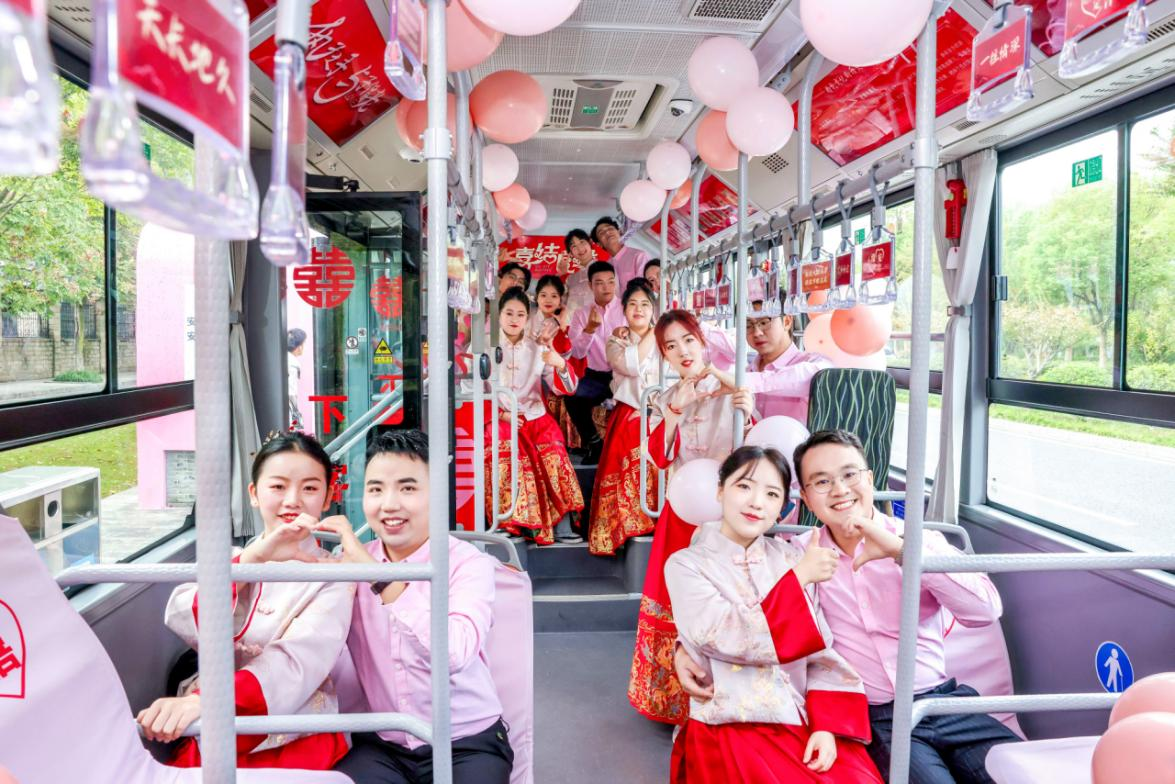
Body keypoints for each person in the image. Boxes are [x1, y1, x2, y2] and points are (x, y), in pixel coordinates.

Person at [676, 429, 1020, 784]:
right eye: (822, 482)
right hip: (877, 717)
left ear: (869, 479)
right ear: (806, 499)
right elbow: (742, 596)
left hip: (945, 701)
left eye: (849, 474)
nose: (840, 489)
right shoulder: (801, 556)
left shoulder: (920, 540)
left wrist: (903, 552)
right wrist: (685, 647)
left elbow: (984, 610)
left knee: (1020, 772)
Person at [665, 445, 883, 784]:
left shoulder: (791, 557)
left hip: (803, 716)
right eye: (744, 486)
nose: (756, 502)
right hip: (731, 719)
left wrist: (826, 726)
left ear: (783, 508)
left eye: (772, 494)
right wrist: (797, 581)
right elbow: (722, 635)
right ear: (720, 490)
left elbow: (821, 650)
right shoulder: (685, 565)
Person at [139, 432, 355, 770]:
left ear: (328, 497)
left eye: (310, 488)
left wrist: (209, 702)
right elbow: (184, 618)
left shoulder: (335, 577)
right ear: (254, 494)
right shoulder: (230, 558)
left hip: (295, 729)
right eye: (278, 486)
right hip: (211, 719)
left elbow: (297, 664)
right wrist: (251, 562)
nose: (293, 501)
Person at [319, 429, 514, 784]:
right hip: (383, 742)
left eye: (407, 488)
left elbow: (453, 653)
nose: (389, 504)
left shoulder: (467, 564)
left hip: (465, 740)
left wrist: (376, 576)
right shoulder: (346, 565)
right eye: (376, 489)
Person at [628, 309, 753, 725]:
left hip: (728, 516)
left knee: (725, 602)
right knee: (676, 602)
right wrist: (674, 413)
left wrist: (748, 408)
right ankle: (675, 703)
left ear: (702, 342)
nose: (682, 351)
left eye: (688, 340)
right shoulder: (666, 398)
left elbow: (753, 455)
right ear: (663, 355)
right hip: (681, 514)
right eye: (671, 345)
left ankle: (727, 701)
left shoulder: (733, 388)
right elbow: (659, 457)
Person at [486, 287, 584, 545]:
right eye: (509, 313)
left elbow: (566, 388)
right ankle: (508, 520)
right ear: (499, 315)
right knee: (509, 457)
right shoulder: (484, 346)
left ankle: (561, 522)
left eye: (520, 314)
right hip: (499, 417)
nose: (514, 319)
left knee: (555, 454)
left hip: (535, 417)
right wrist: (501, 414)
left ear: (527, 318)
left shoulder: (538, 346)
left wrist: (559, 363)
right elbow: (469, 388)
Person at [588, 278, 661, 556]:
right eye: (633, 304)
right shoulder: (616, 340)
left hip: (660, 414)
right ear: (624, 309)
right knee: (627, 474)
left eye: (645, 304)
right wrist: (654, 331)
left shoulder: (666, 338)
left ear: (653, 309)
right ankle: (624, 529)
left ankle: (656, 525)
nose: (639, 310)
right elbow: (631, 365)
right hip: (630, 414)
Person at [706, 301, 831, 421]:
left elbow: (819, 376)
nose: (757, 333)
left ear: (787, 321)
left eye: (764, 322)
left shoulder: (812, 363)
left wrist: (746, 382)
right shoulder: (747, 372)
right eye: (748, 325)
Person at [565, 260, 626, 462]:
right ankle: (595, 444)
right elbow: (577, 353)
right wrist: (589, 329)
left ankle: (622, 450)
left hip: (624, 374)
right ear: (591, 286)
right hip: (596, 376)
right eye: (599, 283)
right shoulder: (581, 314)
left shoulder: (626, 309)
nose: (606, 287)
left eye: (611, 281)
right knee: (572, 397)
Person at [535, 274, 581, 453]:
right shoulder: (526, 320)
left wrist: (563, 328)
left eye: (554, 296)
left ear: (561, 299)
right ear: (536, 297)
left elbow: (566, 356)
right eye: (543, 295)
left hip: (552, 374)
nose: (548, 300)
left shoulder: (563, 322)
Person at [592, 216, 650, 290]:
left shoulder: (639, 256)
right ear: (599, 244)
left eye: (610, 228)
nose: (607, 232)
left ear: (619, 232)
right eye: (602, 233)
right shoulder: (605, 268)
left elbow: (644, 289)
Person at [288, 328, 307, 430]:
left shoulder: (285, 358)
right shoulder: (292, 364)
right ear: (299, 347)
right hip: (288, 410)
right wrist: (296, 417)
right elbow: (291, 393)